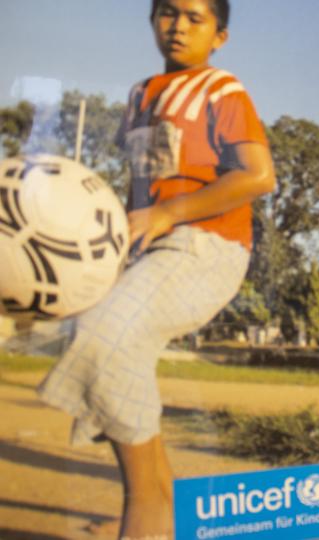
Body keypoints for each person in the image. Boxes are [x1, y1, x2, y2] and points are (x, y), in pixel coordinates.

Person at [37, 1, 275, 537]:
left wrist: (167, 212)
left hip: (206, 246)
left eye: (196, 17)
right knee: (107, 347)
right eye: (168, 13)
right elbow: (139, 187)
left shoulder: (222, 90)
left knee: (102, 338)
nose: (178, 26)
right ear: (152, 21)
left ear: (221, 35)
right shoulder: (140, 94)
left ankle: (150, 500)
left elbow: (258, 176)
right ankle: (155, 503)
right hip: (146, 251)